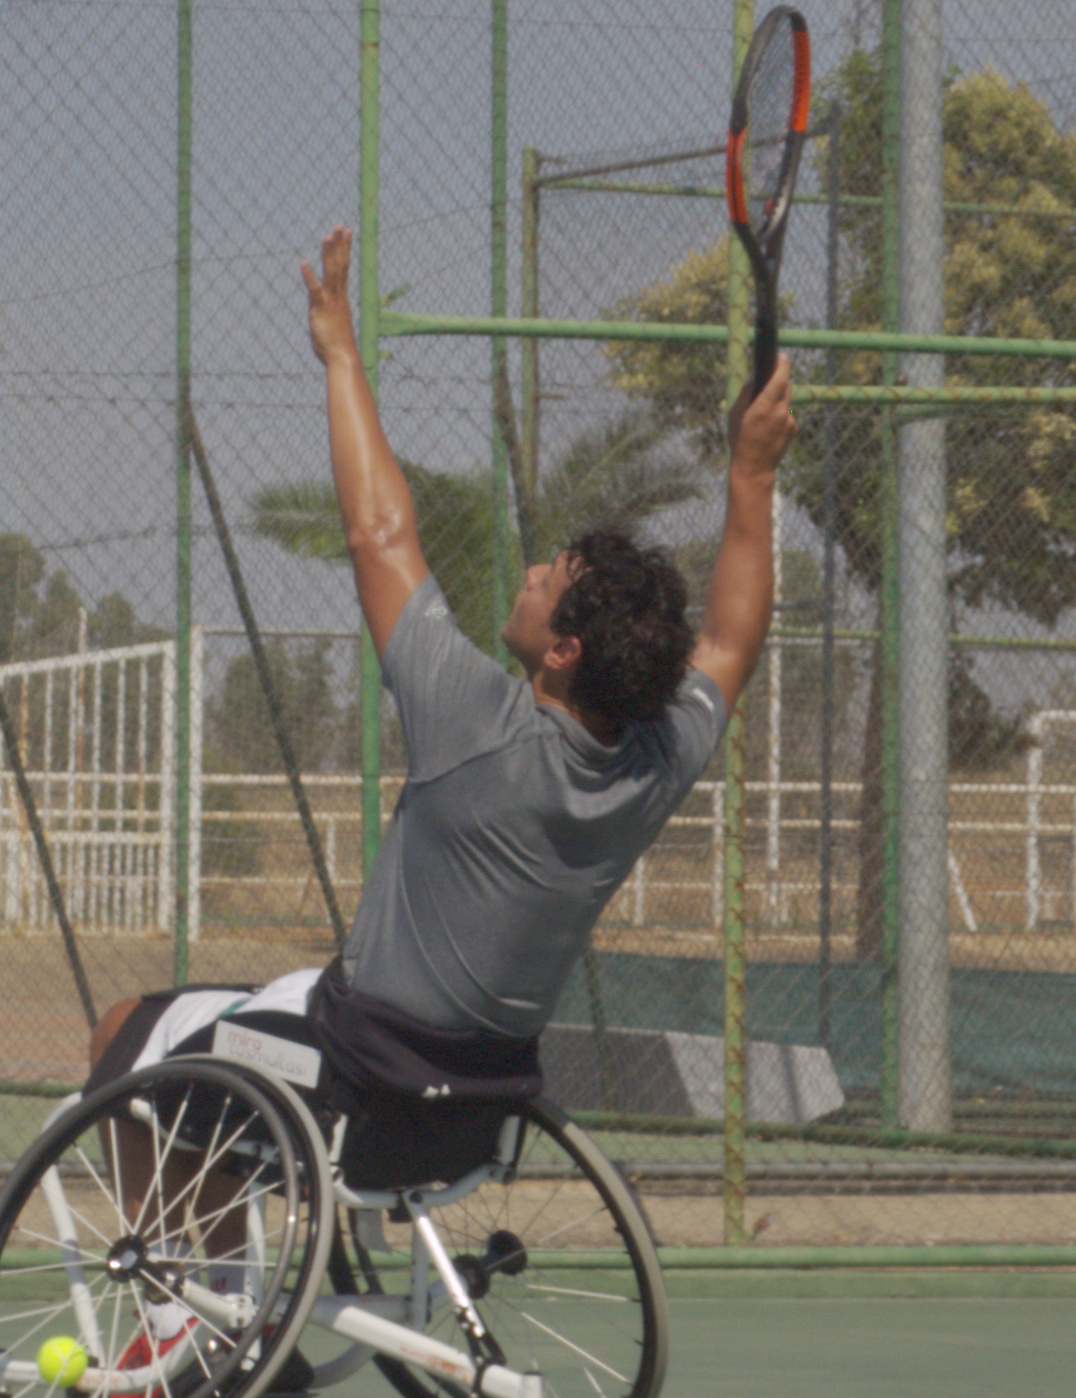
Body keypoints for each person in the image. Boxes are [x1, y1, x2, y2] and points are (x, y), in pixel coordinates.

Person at [90, 222, 795, 1167]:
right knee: (263, 1006)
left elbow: (378, 535)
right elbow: (732, 641)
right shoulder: (658, 760)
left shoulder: (478, 726)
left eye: (549, 578)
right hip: (471, 1112)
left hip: (354, 1079)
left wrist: (340, 355)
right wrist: (753, 472)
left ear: (564, 651)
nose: (532, 571)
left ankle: (188, 1271)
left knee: (126, 1032)